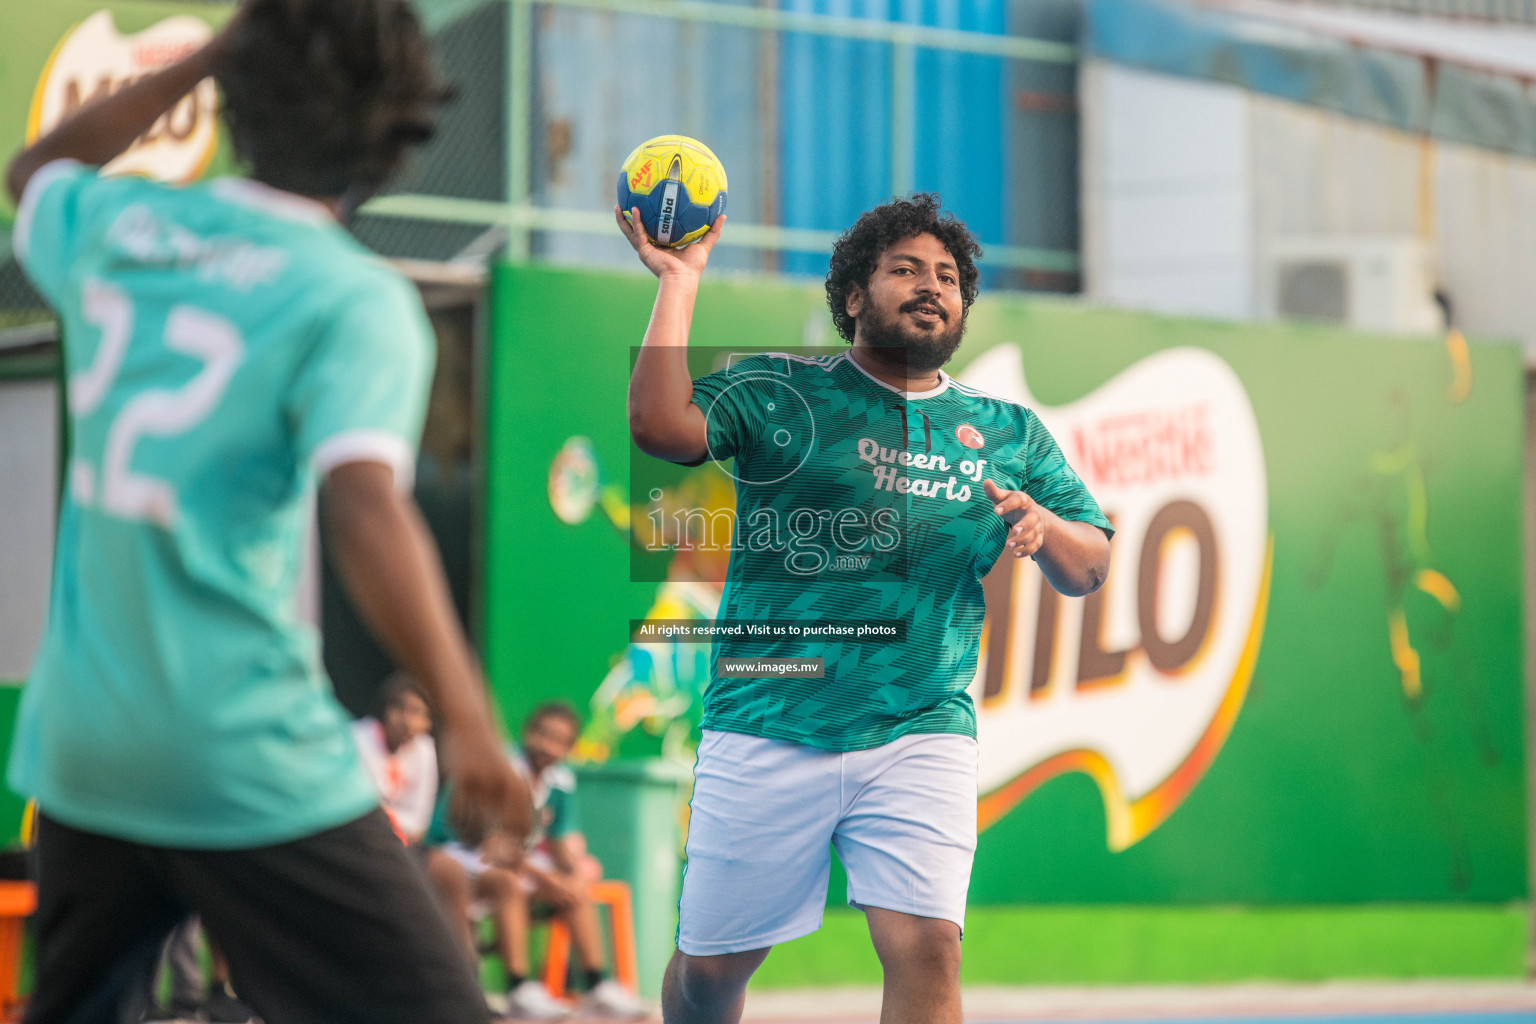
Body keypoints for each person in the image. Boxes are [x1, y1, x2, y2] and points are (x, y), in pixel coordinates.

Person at [4, 1, 531, 1021]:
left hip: (86, 746)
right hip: (239, 751)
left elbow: (34, 171)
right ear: (397, 136)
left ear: (237, 94)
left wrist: (200, 58)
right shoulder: (350, 298)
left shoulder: (122, 228)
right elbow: (366, 508)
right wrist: (467, 715)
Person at [617, 192, 1114, 1024]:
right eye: (906, 269)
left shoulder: (1009, 432)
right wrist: (679, 278)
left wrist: (1046, 524)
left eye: (948, 276)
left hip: (921, 729)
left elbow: (1090, 562)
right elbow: (661, 426)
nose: (931, 286)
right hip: (768, 719)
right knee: (709, 975)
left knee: (930, 949)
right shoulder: (779, 388)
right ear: (853, 294)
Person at [427, 703, 643, 1020]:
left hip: (516, 865)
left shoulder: (560, 781)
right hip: (462, 858)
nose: (547, 745)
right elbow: (494, 846)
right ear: (528, 732)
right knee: (507, 882)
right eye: (542, 734)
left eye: (559, 740)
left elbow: (558, 840)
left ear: (569, 748)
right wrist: (547, 880)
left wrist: (573, 875)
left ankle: (597, 987)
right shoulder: (501, 768)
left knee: (574, 888)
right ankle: (519, 989)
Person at [354, 675, 440, 843]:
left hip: (396, 842)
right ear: (384, 709)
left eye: (417, 712)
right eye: (399, 708)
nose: (407, 721)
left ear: (429, 722)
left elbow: (419, 826)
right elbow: (360, 813)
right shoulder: (358, 738)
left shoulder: (424, 749)